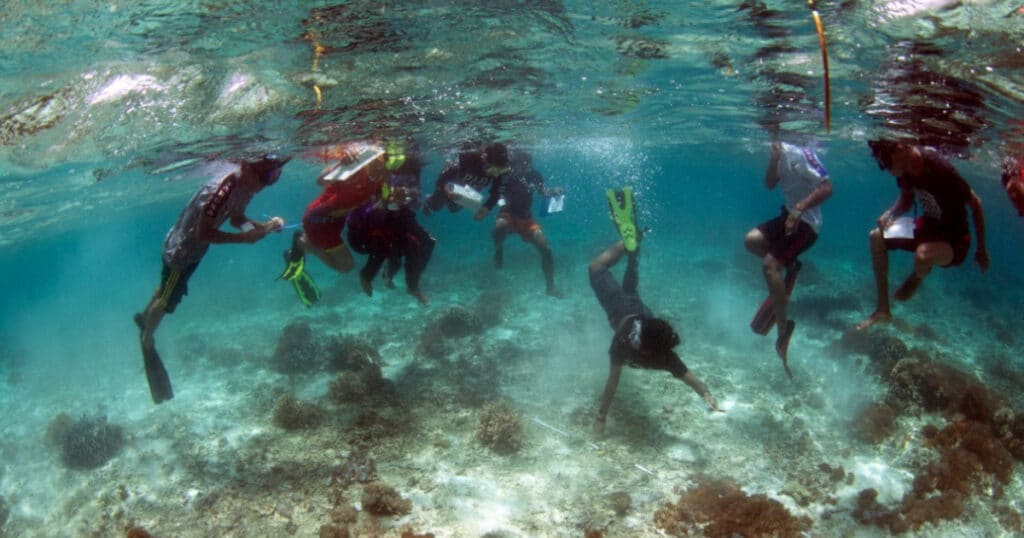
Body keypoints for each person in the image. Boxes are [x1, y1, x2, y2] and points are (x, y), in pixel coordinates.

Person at [135, 154, 290, 404]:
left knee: (168, 286)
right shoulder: (220, 193)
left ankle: (144, 317)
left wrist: (264, 227)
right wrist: (243, 239)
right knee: (167, 300)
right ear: (247, 169)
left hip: (189, 251)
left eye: (272, 179)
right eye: (265, 178)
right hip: (182, 254)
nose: (264, 186)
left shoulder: (244, 186)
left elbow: (237, 218)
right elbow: (204, 232)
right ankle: (147, 338)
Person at [591, 189, 719, 434]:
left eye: (637, 336)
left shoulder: (630, 345)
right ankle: (632, 248)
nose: (634, 336)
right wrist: (706, 395)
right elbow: (691, 379)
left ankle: (630, 249)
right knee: (623, 287)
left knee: (603, 271)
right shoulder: (660, 355)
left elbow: (613, 382)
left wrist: (601, 416)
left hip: (635, 311)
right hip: (629, 311)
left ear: (649, 349)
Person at [857, 141, 990, 330]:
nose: (885, 169)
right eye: (881, 165)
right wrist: (890, 213)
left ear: (899, 147)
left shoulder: (938, 167)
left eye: (885, 161)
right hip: (929, 227)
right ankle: (882, 310)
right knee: (876, 236)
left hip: (955, 241)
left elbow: (976, 203)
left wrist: (981, 248)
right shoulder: (905, 171)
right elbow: (906, 199)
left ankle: (917, 276)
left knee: (922, 255)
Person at [744, 141, 832, 377]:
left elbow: (827, 188)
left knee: (770, 267)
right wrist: (773, 158)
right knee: (751, 241)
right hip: (789, 216)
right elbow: (769, 184)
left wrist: (800, 208)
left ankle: (783, 330)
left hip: (808, 224)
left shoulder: (804, 152)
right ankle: (790, 262)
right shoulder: (778, 151)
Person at [473, 143, 564, 298]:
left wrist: (554, 191)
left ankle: (550, 287)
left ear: (528, 163)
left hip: (526, 218)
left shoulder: (535, 175)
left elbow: (543, 192)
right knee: (500, 227)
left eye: (525, 163)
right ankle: (498, 250)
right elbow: (495, 194)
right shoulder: (505, 175)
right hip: (507, 212)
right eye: (517, 163)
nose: (521, 167)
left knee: (546, 250)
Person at [346, 152, 436, 305]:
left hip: (398, 214)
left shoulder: (413, 169)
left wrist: (407, 195)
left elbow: (415, 202)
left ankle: (411, 285)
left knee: (427, 242)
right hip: (370, 222)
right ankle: (368, 275)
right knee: (389, 245)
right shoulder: (374, 169)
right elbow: (369, 205)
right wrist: (388, 200)